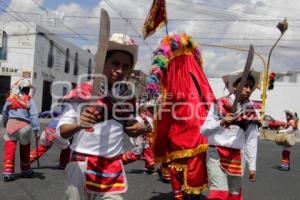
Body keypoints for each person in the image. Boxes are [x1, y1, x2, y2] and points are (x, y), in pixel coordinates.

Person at [57, 33, 150, 200]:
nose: (120, 70)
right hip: (81, 166)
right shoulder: (83, 92)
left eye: (125, 66)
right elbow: (61, 132)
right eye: (115, 63)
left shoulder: (128, 97)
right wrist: (79, 124)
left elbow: (130, 126)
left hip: (112, 168)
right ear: (103, 62)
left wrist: (140, 128)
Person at [146, 33, 216, 200]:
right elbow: (206, 90)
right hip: (190, 119)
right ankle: (187, 193)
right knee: (189, 160)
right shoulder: (190, 66)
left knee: (179, 158)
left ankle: (183, 193)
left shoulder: (178, 67)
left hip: (183, 120)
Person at [201, 69, 261, 200]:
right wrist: (221, 122)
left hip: (237, 157)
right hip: (216, 153)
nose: (248, 89)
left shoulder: (250, 110)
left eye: (251, 87)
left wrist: (252, 166)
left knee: (234, 195)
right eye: (245, 85)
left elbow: (251, 140)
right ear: (234, 86)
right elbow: (204, 130)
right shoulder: (220, 104)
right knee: (219, 194)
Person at [2, 79, 40, 182]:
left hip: (11, 126)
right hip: (24, 127)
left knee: (9, 150)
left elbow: (5, 113)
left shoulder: (10, 99)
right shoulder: (30, 100)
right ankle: (25, 170)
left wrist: (5, 124)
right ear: (28, 90)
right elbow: (34, 116)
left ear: (19, 88)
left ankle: (8, 172)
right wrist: (36, 130)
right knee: (25, 149)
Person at [122, 103, 156, 174]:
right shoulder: (137, 119)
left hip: (146, 140)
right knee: (137, 154)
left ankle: (149, 168)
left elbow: (151, 128)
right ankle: (120, 161)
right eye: (149, 109)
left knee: (148, 152)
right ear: (142, 111)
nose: (151, 110)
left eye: (152, 109)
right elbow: (133, 131)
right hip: (139, 139)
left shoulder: (150, 118)